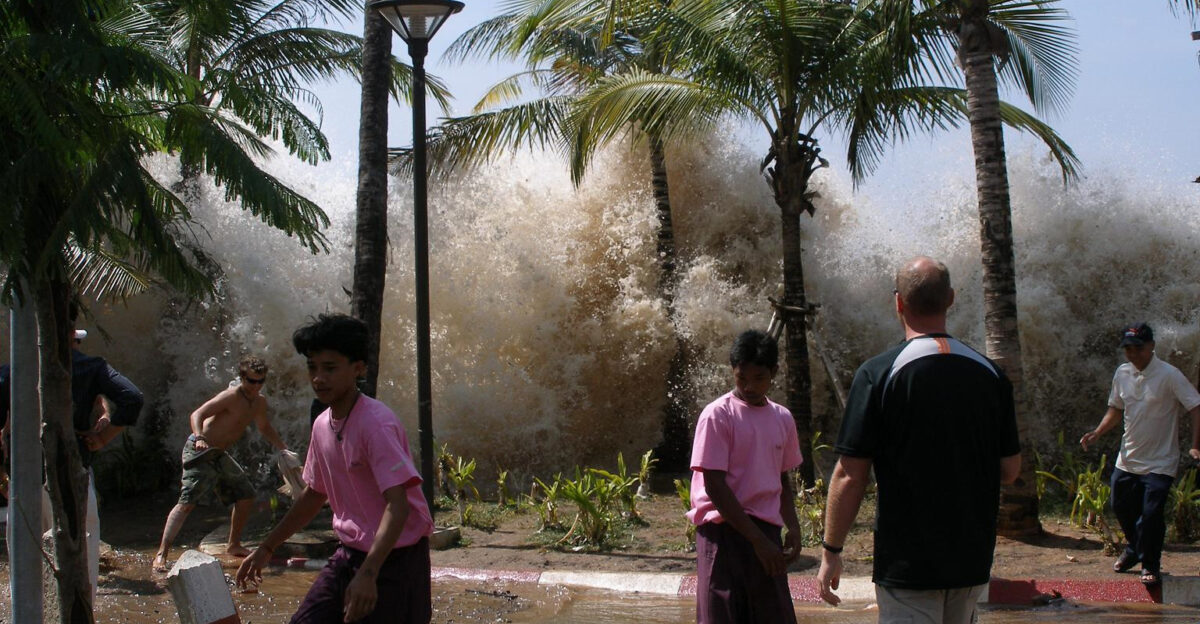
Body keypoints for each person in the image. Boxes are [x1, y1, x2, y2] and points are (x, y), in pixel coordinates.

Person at [817, 256, 1020, 623]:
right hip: (971, 562)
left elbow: (850, 474)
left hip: (908, 564)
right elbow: (1009, 470)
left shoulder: (878, 374)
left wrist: (832, 550)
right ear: (951, 299)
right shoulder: (991, 374)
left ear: (898, 302)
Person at [237, 314, 434, 623]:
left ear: (358, 369)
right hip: (349, 554)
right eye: (312, 368)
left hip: (395, 560)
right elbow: (314, 494)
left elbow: (399, 506)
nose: (318, 378)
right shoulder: (322, 425)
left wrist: (369, 574)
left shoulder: (375, 424)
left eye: (330, 368)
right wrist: (266, 547)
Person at [0, 316, 144, 600]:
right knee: (81, 554)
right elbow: (132, 397)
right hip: (72, 474)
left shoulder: (12, 372)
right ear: (69, 335)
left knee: (27, 558)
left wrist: (1, 475)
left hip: (25, 475)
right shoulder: (91, 368)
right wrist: (103, 438)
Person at [686, 329, 804, 624]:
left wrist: (793, 526)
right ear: (732, 372)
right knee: (722, 615)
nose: (749, 386)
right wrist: (756, 541)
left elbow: (783, 479)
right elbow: (714, 485)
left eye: (759, 379)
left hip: (765, 531)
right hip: (723, 533)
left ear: (774, 372)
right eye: (742, 378)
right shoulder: (717, 416)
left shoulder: (782, 418)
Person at [1079, 322, 1200, 586]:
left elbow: (1195, 405)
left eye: (1137, 348)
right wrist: (1098, 432)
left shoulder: (1170, 375)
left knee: (1151, 513)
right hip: (1129, 457)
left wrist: (1196, 444)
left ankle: (1150, 565)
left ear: (1151, 346)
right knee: (1120, 505)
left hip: (1161, 460)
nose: (1131, 354)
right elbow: (1115, 407)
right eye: (1127, 349)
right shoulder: (1122, 373)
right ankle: (1135, 549)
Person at [152, 355, 289, 572]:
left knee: (246, 495)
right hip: (201, 451)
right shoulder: (231, 396)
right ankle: (161, 553)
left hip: (219, 455)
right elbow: (198, 414)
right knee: (187, 502)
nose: (256, 386)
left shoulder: (259, 402)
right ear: (242, 378)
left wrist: (283, 447)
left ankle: (233, 544)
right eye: (252, 381)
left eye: (260, 381)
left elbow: (264, 427)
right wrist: (198, 437)